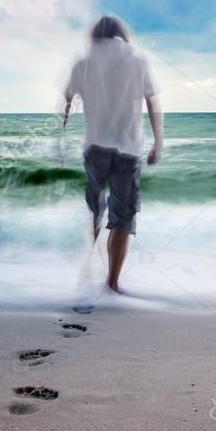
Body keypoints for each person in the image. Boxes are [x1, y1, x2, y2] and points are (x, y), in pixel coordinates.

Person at [62, 15, 163, 293]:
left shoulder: (82, 63)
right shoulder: (138, 60)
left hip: (95, 147)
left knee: (96, 205)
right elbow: (152, 101)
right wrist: (158, 141)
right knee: (123, 217)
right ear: (122, 33)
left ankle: (91, 247)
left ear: (94, 34)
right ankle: (112, 283)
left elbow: (67, 101)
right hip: (128, 149)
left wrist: (61, 131)